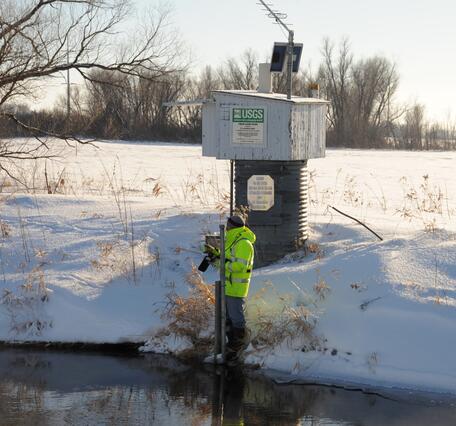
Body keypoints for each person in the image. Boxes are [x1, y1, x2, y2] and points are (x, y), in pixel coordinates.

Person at [205, 215, 256, 366]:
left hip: (237, 287)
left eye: (228, 225)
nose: (226, 227)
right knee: (228, 317)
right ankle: (231, 346)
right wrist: (215, 254)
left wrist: (221, 263)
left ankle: (239, 345)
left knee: (236, 318)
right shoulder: (233, 241)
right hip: (228, 285)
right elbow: (227, 259)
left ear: (233, 226)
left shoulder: (244, 243)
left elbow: (239, 266)